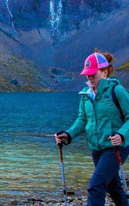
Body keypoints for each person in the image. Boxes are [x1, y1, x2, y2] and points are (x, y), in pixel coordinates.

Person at [55, 50, 129, 206]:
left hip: (116, 148)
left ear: (104, 72)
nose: (89, 77)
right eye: (87, 74)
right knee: (113, 187)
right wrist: (68, 135)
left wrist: (122, 135)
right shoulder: (86, 95)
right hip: (96, 148)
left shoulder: (117, 91)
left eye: (93, 74)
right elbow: (82, 120)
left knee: (95, 186)